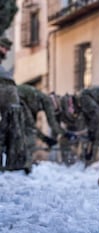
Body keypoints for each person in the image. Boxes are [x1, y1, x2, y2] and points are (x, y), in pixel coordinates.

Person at [17, 84, 69, 162]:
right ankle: (25, 163)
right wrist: (66, 134)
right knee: (29, 136)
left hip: (13, 98)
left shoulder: (35, 102)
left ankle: (21, 161)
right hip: (15, 98)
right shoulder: (47, 101)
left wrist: (45, 139)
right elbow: (52, 123)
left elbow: (32, 127)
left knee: (24, 130)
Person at [0, 37, 28, 173]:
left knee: (8, 133)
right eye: (4, 48)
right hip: (7, 99)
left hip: (9, 102)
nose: (6, 52)